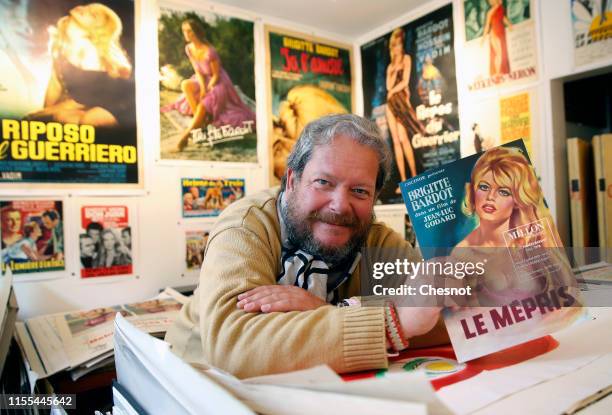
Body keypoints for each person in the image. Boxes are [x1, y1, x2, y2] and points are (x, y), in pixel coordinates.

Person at [166, 114, 448, 378]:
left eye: (360, 191)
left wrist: (332, 310)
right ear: (292, 180)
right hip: (196, 384)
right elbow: (235, 344)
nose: (339, 206)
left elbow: (449, 314)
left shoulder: (377, 241)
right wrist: (389, 322)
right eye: (323, 182)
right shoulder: (244, 227)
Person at [27, 3, 132, 127]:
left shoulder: (92, 51)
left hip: (116, 107)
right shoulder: (61, 49)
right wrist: (46, 120)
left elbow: (83, 98)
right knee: (62, 118)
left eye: (93, 15)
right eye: (86, 7)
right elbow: (55, 84)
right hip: (85, 106)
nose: (83, 8)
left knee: (93, 119)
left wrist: (39, 114)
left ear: (99, 28)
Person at [162, 19, 255, 152]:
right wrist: (202, 88)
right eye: (184, 31)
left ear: (196, 32)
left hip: (218, 82)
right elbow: (198, 71)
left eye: (189, 31)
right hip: (203, 79)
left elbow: (216, 75)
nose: (186, 34)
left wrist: (208, 89)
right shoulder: (189, 48)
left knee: (204, 103)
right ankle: (198, 120)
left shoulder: (210, 51)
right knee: (186, 85)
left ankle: (184, 139)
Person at [384, 28, 426, 192]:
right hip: (390, 104)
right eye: (395, 46)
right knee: (395, 142)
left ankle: (414, 177)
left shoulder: (406, 59)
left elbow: (405, 83)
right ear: (392, 48)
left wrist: (392, 91)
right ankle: (403, 181)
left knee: (403, 139)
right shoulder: (390, 67)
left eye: (399, 45)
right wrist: (393, 72)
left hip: (400, 100)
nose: (398, 49)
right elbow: (388, 85)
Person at [482, 0, 513, 77]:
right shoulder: (490, 12)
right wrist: (483, 38)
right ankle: (497, 72)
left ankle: (498, 72)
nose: (490, 1)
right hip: (495, 33)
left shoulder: (500, 8)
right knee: (498, 53)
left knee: (501, 53)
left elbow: (503, 18)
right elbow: (487, 26)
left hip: (501, 32)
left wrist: (510, 25)